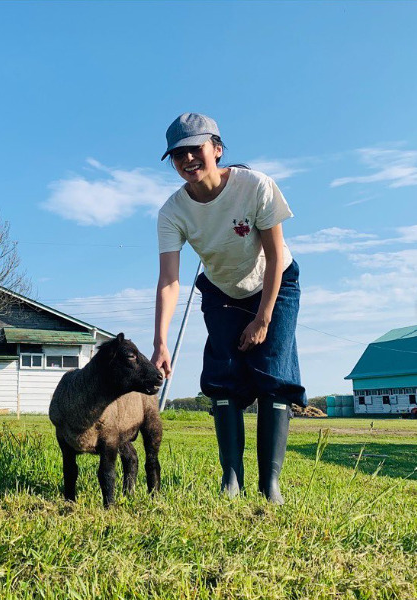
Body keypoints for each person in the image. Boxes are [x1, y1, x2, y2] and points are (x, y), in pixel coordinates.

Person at [151, 113, 306, 504]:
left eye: (195, 149)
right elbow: (170, 280)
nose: (187, 159)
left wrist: (263, 318)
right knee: (222, 375)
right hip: (221, 290)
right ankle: (231, 479)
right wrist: (160, 342)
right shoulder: (172, 212)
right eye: (178, 154)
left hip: (275, 282)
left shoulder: (256, 187)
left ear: (216, 149)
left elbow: (274, 256)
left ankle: (270, 485)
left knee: (273, 372)